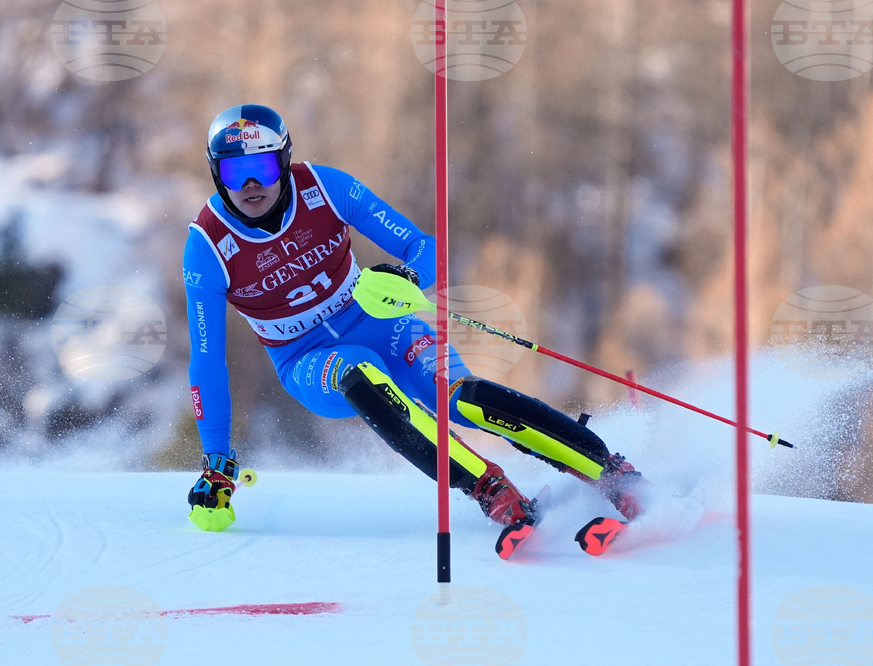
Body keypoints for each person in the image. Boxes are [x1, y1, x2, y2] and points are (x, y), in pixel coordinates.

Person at [183, 104, 643, 548]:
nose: (248, 186)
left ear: (283, 161)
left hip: (385, 325)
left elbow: (425, 247)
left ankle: (611, 472)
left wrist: (411, 276)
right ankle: (490, 489)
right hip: (306, 360)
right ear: (215, 175)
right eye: (231, 173)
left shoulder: (324, 187)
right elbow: (207, 359)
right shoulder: (207, 245)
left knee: (459, 396)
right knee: (359, 376)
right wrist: (217, 460)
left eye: (261, 168)